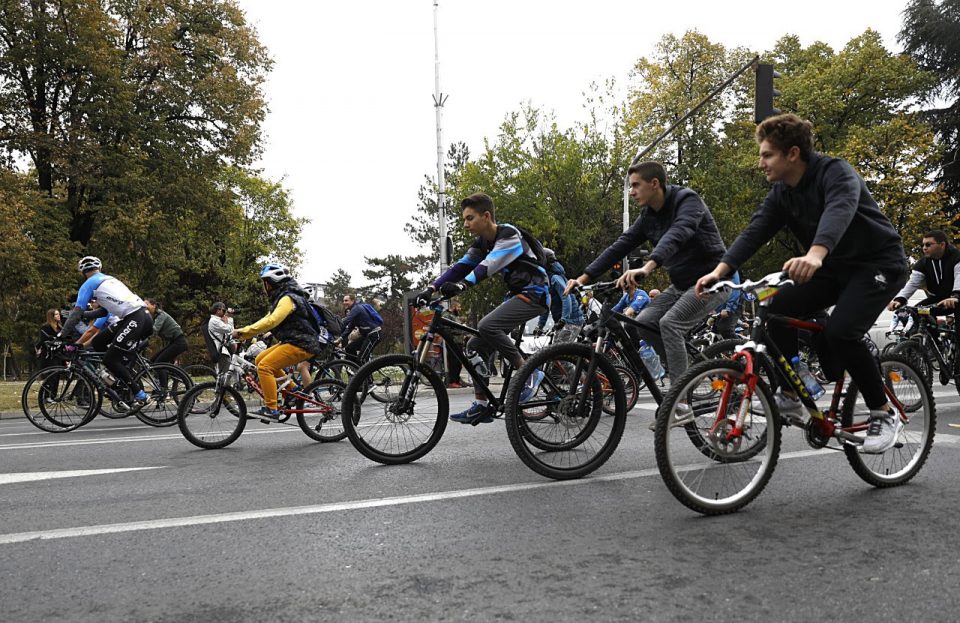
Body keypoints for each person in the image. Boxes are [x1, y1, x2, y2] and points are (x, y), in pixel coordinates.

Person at [695, 113, 908, 454]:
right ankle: (792, 394)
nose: (760, 162)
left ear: (792, 154)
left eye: (766, 155)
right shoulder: (782, 193)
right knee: (776, 306)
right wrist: (720, 271)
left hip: (878, 263)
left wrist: (815, 254)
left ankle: (882, 412)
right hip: (833, 268)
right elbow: (756, 230)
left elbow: (840, 209)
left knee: (842, 331)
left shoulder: (835, 172)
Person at [566, 161, 730, 405]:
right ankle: (686, 370)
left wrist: (648, 265)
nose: (631, 192)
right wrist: (583, 277)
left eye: (635, 186)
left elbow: (679, 232)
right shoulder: (648, 217)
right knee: (643, 322)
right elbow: (621, 244)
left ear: (654, 184)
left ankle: (680, 399)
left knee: (670, 324)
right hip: (681, 284)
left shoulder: (687, 201)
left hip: (712, 280)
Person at [414, 192, 549, 424]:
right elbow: (460, 267)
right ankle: (481, 404)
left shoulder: (509, 235)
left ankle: (530, 373)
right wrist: (430, 288)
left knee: (487, 326)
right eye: (464, 219)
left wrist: (462, 285)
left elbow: (489, 265)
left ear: (486, 216)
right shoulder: (482, 243)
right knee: (475, 344)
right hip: (516, 295)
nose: (465, 224)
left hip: (535, 293)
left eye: (470, 218)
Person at [232, 264, 330, 420]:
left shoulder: (287, 298)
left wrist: (244, 332)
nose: (264, 287)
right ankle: (293, 392)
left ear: (271, 283)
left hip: (301, 343)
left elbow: (272, 320)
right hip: (294, 340)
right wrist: (245, 331)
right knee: (259, 360)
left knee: (265, 367)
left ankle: (271, 408)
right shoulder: (282, 297)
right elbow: (267, 319)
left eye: (265, 282)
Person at [59, 256, 153, 406]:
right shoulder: (110, 280)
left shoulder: (88, 284)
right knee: (98, 342)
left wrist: (61, 335)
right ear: (100, 268)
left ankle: (140, 395)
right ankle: (116, 376)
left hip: (135, 318)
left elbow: (76, 313)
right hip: (138, 317)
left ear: (83, 272)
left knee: (110, 359)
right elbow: (103, 312)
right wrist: (84, 315)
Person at [889, 230, 960, 324]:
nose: (924, 248)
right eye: (923, 245)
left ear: (942, 244)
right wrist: (900, 299)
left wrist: (955, 296)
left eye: (928, 244)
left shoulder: (957, 257)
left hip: (956, 298)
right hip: (939, 299)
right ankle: (928, 337)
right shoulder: (923, 263)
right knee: (914, 313)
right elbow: (913, 283)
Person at [534, 248, 584, 341]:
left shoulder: (555, 278)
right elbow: (546, 304)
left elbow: (566, 296)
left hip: (571, 321)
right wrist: (540, 326)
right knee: (555, 351)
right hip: (563, 321)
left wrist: (563, 319)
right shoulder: (546, 279)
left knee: (559, 352)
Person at [339, 293, 384, 364]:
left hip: (374, 335)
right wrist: (340, 339)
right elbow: (349, 328)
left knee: (362, 359)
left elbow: (346, 321)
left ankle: (364, 374)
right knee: (349, 348)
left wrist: (332, 325)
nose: (344, 303)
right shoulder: (354, 312)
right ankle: (354, 369)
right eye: (343, 301)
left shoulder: (357, 308)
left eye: (346, 300)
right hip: (367, 336)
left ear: (353, 301)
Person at [145, 299, 187, 366]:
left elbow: (154, 330)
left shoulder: (161, 315)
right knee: (152, 361)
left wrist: (143, 338)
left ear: (154, 306)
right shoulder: (153, 317)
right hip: (173, 342)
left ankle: (165, 376)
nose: (144, 306)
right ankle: (170, 374)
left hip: (179, 342)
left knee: (159, 363)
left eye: (146, 304)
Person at [713, 271, 743, 340]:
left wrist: (728, 308)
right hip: (720, 308)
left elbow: (735, 288)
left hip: (732, 305)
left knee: (725, 329)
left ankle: (744, 349)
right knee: (715, 331)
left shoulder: (729, 268)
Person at [205, 302, 235, 370]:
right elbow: (229, 329)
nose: (225, 313)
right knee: (224, 372)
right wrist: (227, 321)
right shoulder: (214, 321)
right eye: (223, 310)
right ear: (218, 310)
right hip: (220, 350)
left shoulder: (218, 320)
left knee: (226, 370)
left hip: (223, 350)